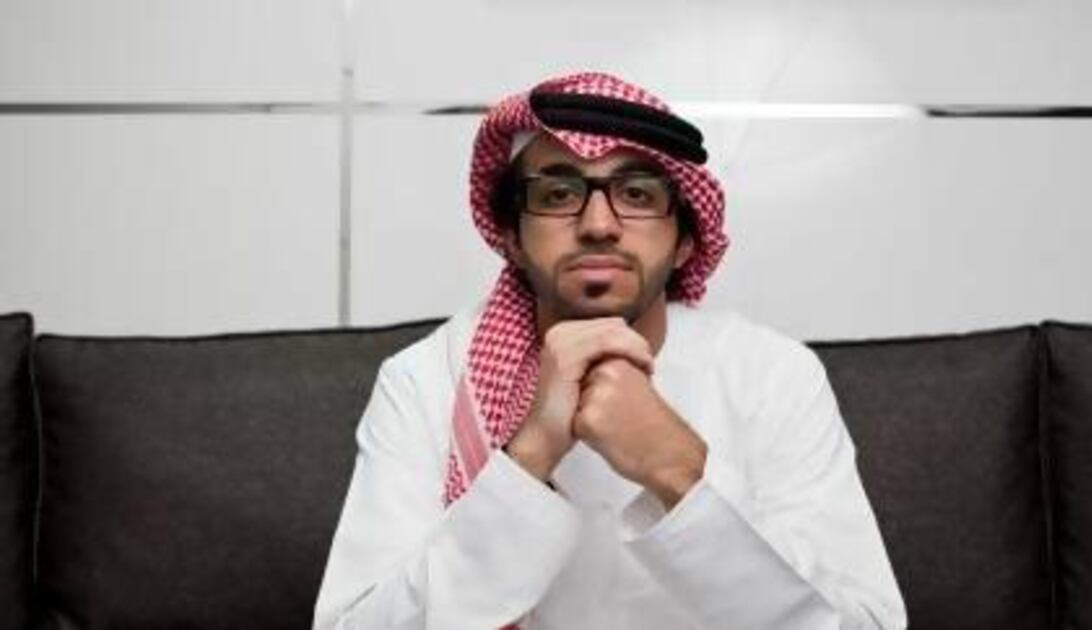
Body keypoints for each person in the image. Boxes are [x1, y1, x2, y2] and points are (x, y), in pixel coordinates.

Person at [313, 72, 906, 630]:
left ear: (686, 240)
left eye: (638, 194)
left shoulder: (772, 376)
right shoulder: (428, 380)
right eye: (558, 193)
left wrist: (678, 471)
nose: (598, 224)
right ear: (512, 238)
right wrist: (528, 457)